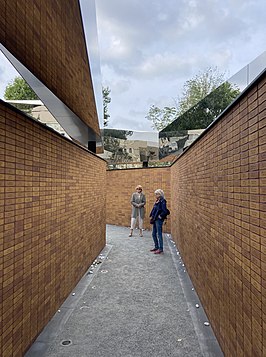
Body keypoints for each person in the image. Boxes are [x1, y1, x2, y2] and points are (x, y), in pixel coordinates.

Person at [149, 189, 169, 254]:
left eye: (157, 194)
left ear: (160, 194)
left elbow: (165, 210)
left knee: (159, 234)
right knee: (153, 234)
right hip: (155, 219)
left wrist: (160, 216)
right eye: (155, 194)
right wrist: (152, 215)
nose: (156, 195)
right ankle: (156, 247)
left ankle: (160, 249)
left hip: (158, 220)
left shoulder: (163, 201)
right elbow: (154, 209)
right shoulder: (157, 201)